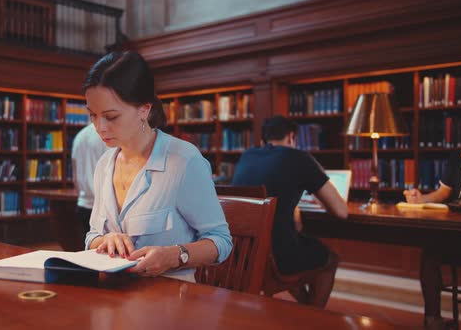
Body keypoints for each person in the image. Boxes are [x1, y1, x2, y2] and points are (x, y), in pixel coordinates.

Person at [83, 51, 232, 283]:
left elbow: (221, 241)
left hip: (168, 300)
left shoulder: (184, 161)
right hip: (111, 294)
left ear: (144, 109)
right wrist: (106, 240)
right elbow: (92, 236)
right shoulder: (104, 164)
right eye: (92, 115)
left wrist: (174, 256)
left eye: (111, 117)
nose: (99, 127)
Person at [231, 115, 348, 307]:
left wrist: (294, 210)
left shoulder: (247, 156)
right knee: (330, 259)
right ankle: (313, 315)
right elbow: (341, 211)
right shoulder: (299, 157)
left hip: (242, 255)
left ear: (263, 140)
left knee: (296, 245)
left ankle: (305, 310)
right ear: (292, 137)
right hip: (276, 258)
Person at [403, 124, 461, 329]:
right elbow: (443, 193)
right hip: (457, 233)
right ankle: (433, 320)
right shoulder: (457, 158)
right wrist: (421, 199)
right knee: (430, 253)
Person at [71, 122, 107, 244]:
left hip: (83, 203)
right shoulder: (106, 136)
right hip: (102, 208)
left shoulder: (80, 136)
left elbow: (74, 174)